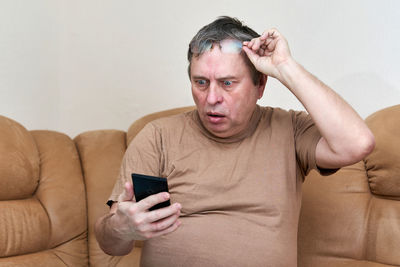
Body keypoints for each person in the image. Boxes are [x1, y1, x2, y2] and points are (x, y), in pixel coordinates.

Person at [95, 16, 375, 266]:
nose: (211, 98)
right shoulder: (157, 136)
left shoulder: (289, 129)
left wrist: (285, 66)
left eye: (228, 83)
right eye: (201, 82)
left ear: (260, 85)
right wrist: (121, 227)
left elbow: (357, 144)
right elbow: (112, 245)